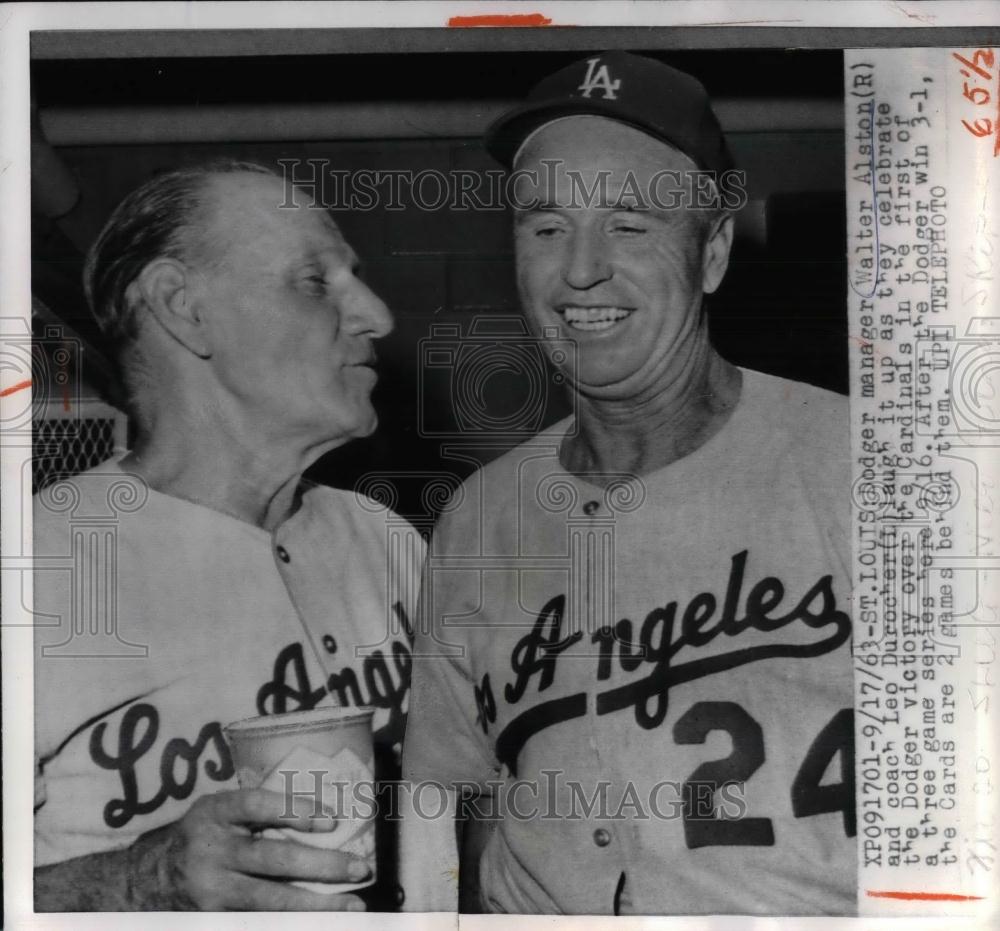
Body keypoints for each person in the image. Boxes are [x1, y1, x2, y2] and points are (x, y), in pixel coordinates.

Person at [403, 52, 855, 915]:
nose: (580, 271)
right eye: (546, 228)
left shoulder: (863, 465)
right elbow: (450, 803)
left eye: (630, 225)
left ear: (712, 252)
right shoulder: (479, 517)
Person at [33, 161, 422, 911]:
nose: (376, 315)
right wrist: (140, 881)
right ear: (183, 308)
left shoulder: (384, 538)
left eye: (358, 279)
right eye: (314, 281)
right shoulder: (39, 565)